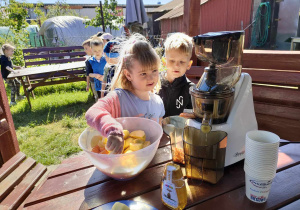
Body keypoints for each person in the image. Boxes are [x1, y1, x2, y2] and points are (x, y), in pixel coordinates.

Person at [85, 34, 165, 154]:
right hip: (121, 166)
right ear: (128, 75)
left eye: (154, 70)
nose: (151, 78)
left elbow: (157, 135)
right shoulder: (119, 98)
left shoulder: (158, 102)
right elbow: (92, 113)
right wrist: (113, 130)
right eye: (143, 73)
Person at [158, 33, 194, 117]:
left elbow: (192, 115)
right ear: (164, 62)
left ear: (189, 64)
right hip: (156, 128)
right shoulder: (155, 83)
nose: (177, 65)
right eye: (172, 61)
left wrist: (192, 116)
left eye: (182, 62)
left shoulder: (191, 90)